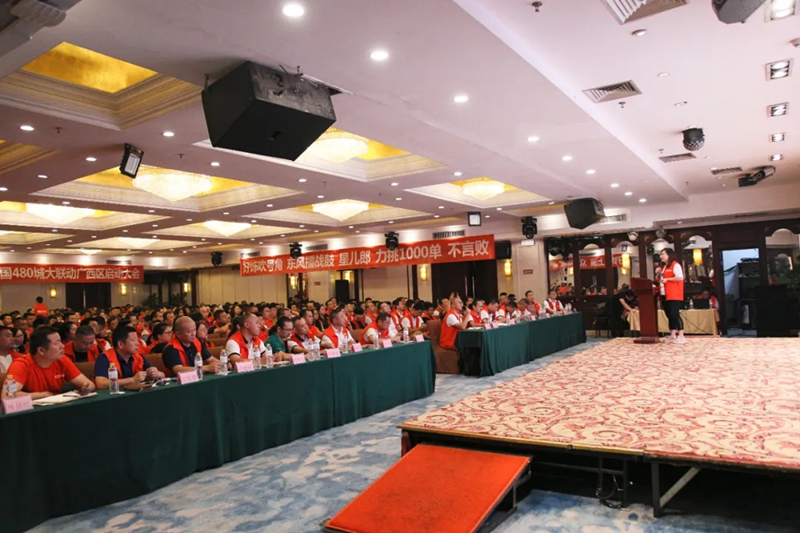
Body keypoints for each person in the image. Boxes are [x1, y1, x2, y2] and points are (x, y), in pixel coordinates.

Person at [2, 327, 95, 399]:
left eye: (60, 341)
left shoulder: (62, 360)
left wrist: (87, 387)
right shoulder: (20, 365)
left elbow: (88, 384)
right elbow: (7, 396)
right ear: (41, 350)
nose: (62, 346)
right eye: (56, 343)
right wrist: (42, 395)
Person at [94, 326, 164, 389]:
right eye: (133, 340)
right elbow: (101, 383)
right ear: (120, 344)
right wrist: (132, 380)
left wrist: (157, 373)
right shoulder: (105, 358)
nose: (137, 343)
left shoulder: (138, 356)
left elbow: (162, 375)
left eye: (137, 340)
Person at [659, 248, 686, 344]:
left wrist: (668, 279)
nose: (661, 256)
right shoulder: (664, 267)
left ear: (669, 255)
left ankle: (681, 335)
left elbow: (680, 277)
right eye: (660, 254)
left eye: (663, 254)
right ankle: (672, 334)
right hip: (665, 294)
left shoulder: (675, 265)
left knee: (675, 314)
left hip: (674, 294)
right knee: (669, 315)